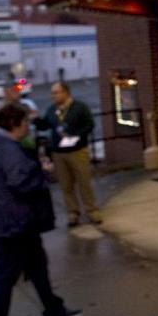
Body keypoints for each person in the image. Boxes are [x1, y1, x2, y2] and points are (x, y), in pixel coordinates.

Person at [0, 102, 82, 316]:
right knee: (6, 276)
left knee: (37, 265)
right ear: (15, 124)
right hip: (15, 223)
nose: (28, 128)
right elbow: (22, 183)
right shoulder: (10, 151)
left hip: (14, 221)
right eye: (26, 123)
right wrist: (43, 172)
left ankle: (54, 310)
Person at [35, 81, 100, 226]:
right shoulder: (52, 109)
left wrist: (76, 136)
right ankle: (73, 212)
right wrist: (36, 120)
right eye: (52, 93)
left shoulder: (79, 107)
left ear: (66, 92)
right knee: (66, 185)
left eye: (56, 92)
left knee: (84, 182)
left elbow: (89, 124)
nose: (53, 96)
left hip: (77, 150)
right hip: (59, 152)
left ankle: (92, 210)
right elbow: (45, 125)